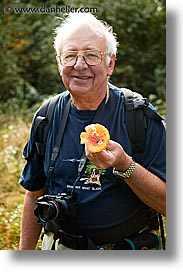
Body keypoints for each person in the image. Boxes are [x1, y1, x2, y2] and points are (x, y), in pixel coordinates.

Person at [19, 12, 166, 250]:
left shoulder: (139, 115)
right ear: (59, 64)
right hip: (58, 248)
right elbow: (34, 194)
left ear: (110, 64)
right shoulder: (46, 115)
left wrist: (124, 165)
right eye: (70, 55)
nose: (79, 65)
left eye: (91, 55)